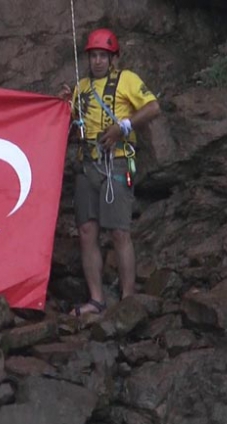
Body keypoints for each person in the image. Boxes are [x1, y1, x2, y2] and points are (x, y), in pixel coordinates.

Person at [59, 29, 161, 316]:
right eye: (94, 56)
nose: (98, 61)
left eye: (103, 56)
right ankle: (96, 299)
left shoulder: (127, 80)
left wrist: (122, 128)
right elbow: (70, 125)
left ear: (113, 58)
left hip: (115, 162)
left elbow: (153, 107)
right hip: (86, 163)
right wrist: (64, 105)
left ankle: (128, 299)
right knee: (86, 230)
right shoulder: (81, 87)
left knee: (119, 232)